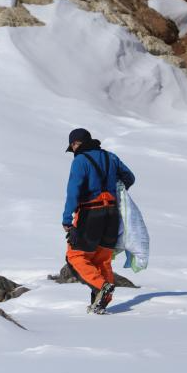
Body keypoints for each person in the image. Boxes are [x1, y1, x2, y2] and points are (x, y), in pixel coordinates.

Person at [62, 128, 135, 313]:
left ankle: (101, 286)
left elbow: (73, 191)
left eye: (72, 146)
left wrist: (66, 218)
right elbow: (129, 177)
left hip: (90, 213)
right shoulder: (111, 157)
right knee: (102, 259)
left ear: (75, 143)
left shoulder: (80, 161)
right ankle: (102, 301)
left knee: (75, 256)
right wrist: (114, 188)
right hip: (112, 214)